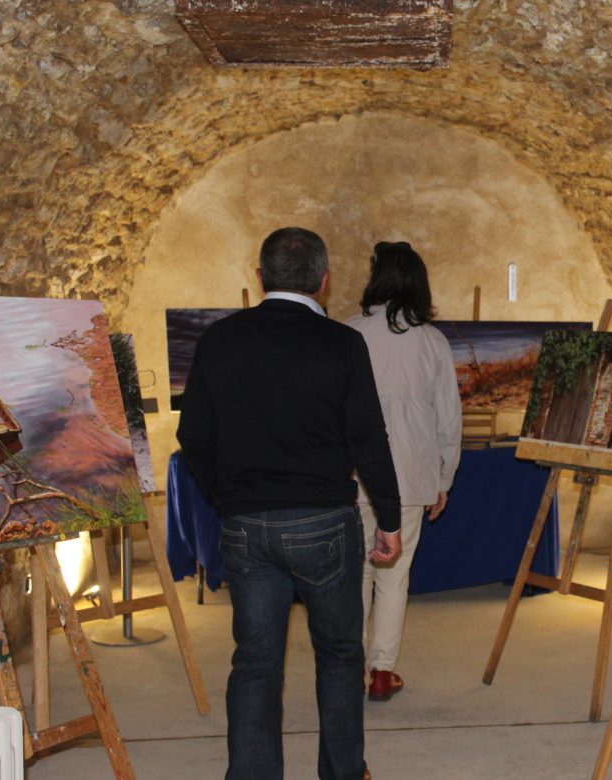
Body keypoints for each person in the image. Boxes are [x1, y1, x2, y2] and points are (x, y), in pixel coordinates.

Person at [177, 227, 401, 780]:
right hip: (325, 521)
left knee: (255, 663)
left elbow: (194, 437)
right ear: (324, 281)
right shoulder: (342, 344)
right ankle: (343, 773)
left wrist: (227, 497)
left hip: (246, 524)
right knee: (340, 656)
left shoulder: (219, 340)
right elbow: (369, 440)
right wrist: (390, 519)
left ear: (260, 278)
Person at [344, 240, 461, 702]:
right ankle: (381, 672)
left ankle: (351, 668)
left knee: (356, 572)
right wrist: (444, 479)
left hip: (354, 475)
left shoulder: (349, 332)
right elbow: (448, 419)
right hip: (411, 476)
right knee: (394, 576)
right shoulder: (432, 341)